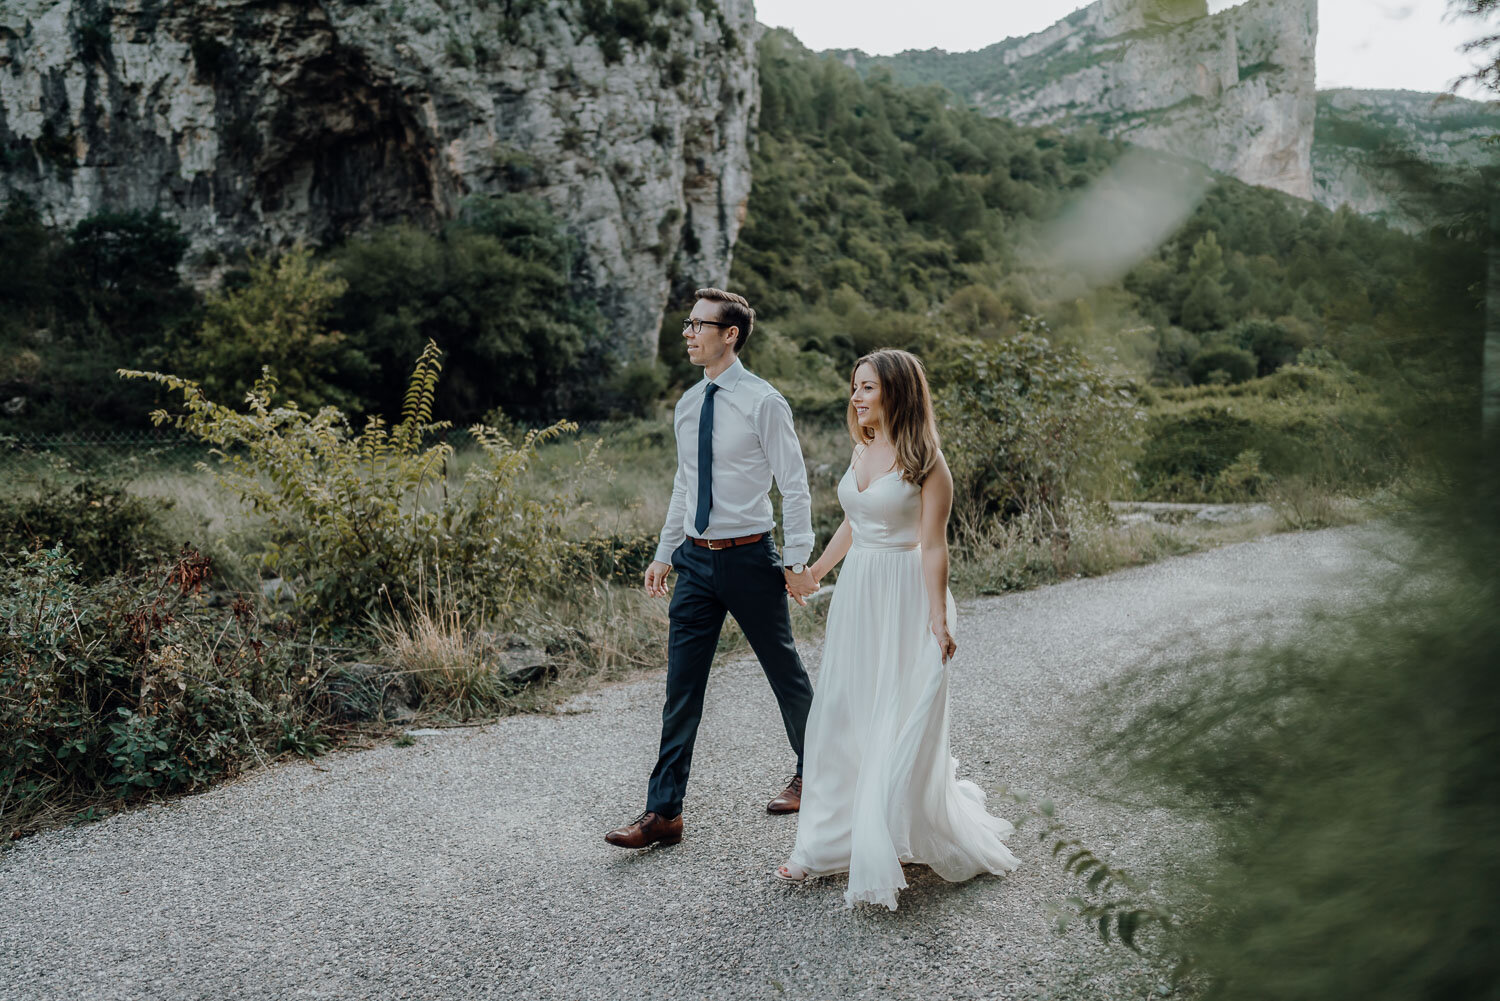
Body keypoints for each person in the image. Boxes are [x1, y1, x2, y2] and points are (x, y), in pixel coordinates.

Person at [774, 348, 1020, 909]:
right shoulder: (862, 447)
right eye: (854, 386)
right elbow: (854, 523)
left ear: (897, 391)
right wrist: (815, 573)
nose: (856, 397)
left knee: (893, 716)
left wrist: (937, 614)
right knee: (840, 713)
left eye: (867, 387)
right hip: (859, 594)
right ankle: (821, 845)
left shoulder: (927, 461)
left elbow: (934, 545)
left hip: (906, 595)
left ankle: (881, 835)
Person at [604, 288, 820, 850]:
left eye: (700, 324)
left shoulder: (763, 402)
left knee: (785, 673)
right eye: (688, 323)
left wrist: (797, 561)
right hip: (695, 562)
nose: (688, 333)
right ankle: (664, 813)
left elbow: (793, 486)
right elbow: (684, 483)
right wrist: (663, 552)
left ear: (731, 335)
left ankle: (820, 772)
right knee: (681, 687)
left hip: (751, 557)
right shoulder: (687, 403)